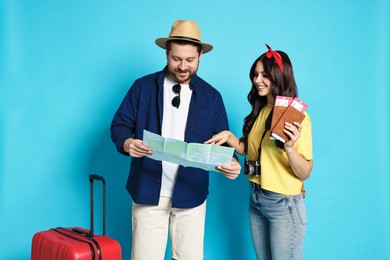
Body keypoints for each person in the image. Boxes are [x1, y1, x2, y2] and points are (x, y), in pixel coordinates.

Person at [110, 20, 241, 260]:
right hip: (148, 190)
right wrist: (128, 143)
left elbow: (222, 143)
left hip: (192, 194)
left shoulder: (212, 97)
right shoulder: (142, 87)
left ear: (200, 55)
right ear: (166, 53)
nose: (182, 66)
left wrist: (231, 165)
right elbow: (119, 125)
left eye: (190, 60)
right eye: (176, 59)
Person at [205, 44, 313, 259]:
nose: (257, 80)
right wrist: (228, 136)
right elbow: (248, 149)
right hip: (256, 199)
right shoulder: (262, 110)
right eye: (255, 74)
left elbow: (305, 172)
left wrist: (290, 148)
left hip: (283, 204)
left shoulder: (298, 119)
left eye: (265, 74)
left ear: (280, 76)